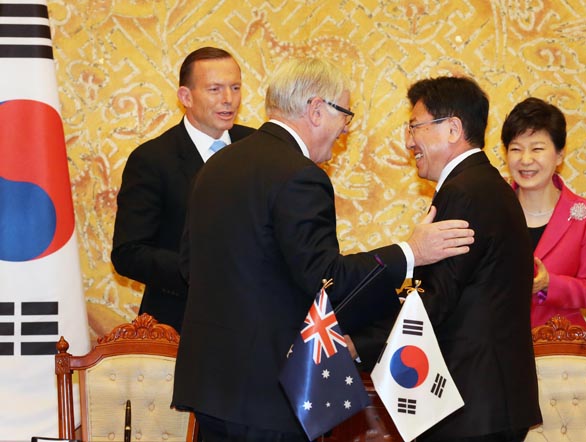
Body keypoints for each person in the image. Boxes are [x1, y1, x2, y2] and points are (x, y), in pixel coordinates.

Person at [171, 58, 475, 441]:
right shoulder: (300, 175)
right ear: (316, 110)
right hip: (269, 393)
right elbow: (325, 278)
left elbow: (188, 264)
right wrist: (411, 252)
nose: (346, 128)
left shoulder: (216, 166)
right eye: (345, 114)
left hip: (210, 389)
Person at [352, 76, 542, 441]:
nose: (409, 142)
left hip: (472, 404)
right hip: (490, 400)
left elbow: (435, 298)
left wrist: (358, 342)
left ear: (453, 129)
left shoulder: (463, 193)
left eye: (415, 127)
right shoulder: (487, 186)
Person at [111, 47, 255, 332]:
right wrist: (202, 271)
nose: (229, 99)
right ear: (185, 97)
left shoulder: (258, 148)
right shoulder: (152, 159)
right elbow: (128, 253)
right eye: (215, 89)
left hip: (253, 322)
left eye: (235, 87)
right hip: (179, 324)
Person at [501, 97, 586, 331]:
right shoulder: (491, 210)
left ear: (559, 155)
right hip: (500, 343)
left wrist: (550, 284)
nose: (525, 160)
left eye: (537, 148)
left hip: (562, 347)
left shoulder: (585, 215)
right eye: (516, 149)